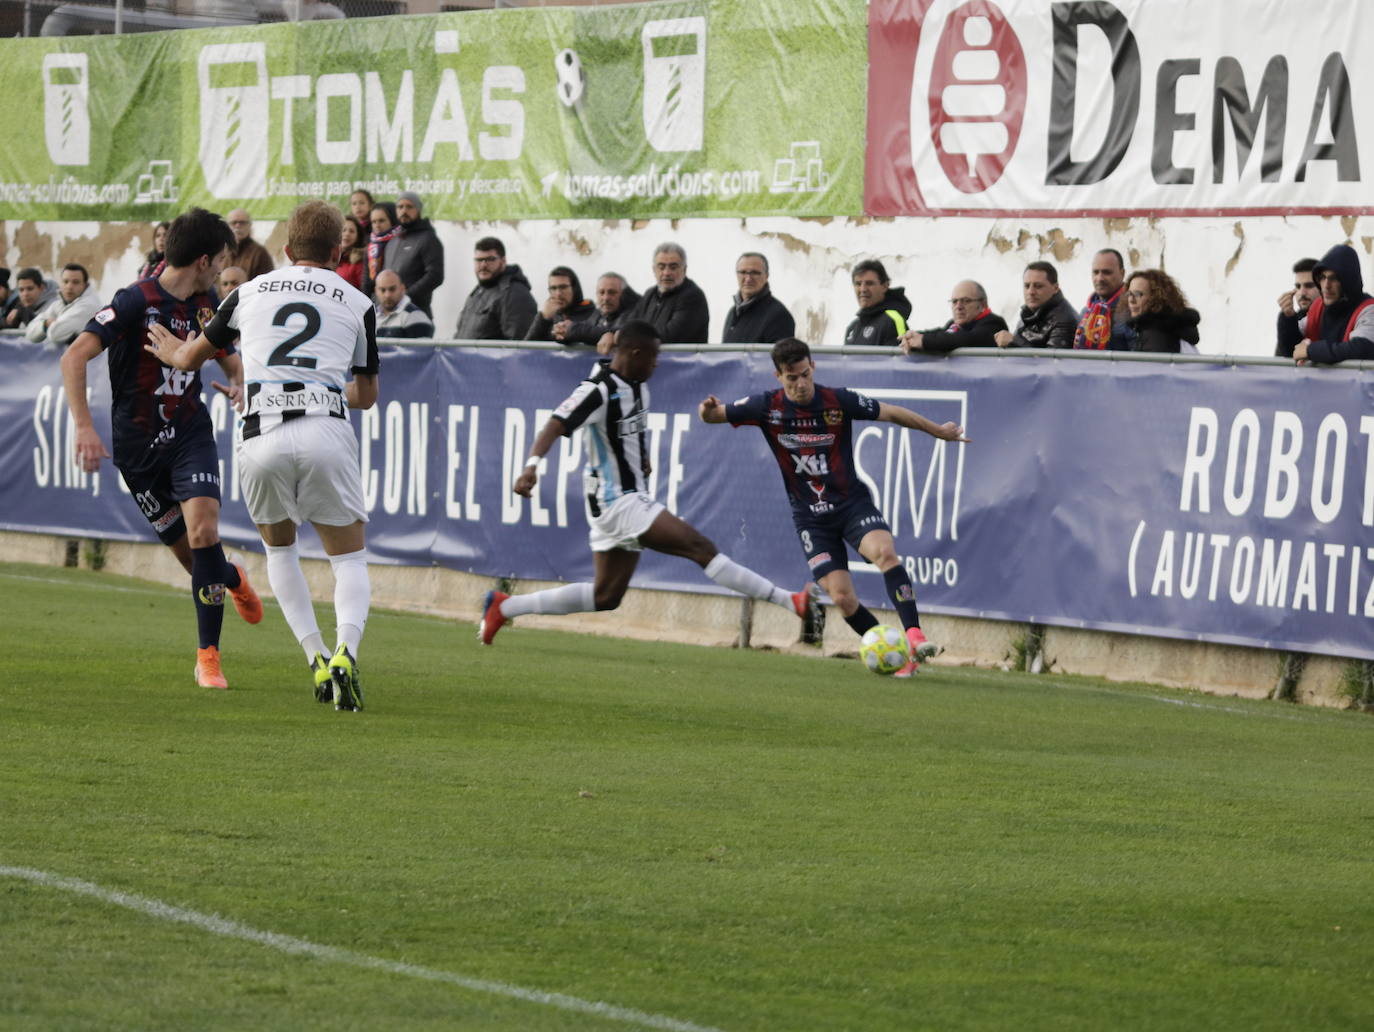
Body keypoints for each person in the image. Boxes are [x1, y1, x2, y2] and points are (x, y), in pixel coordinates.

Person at [144, 200, 379, 711]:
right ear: (338, 250)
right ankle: (347, 652)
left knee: (281, 552)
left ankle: (315, 656)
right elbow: (367, 394)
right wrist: (331, 387)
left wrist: (169, 350)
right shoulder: (358, 301)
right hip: (325, 427)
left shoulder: (247, 292)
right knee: (350, 559)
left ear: (288, 250)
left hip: (261, 431)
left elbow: (188, 357)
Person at [478, 320, 818, 646]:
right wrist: (531, 467)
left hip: (621, 499)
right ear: (636, 354)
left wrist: (641, 458)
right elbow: (555, 423)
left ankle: (503, 607)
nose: (657, 365)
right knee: (700, 548)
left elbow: (630, 431)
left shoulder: (638, 388)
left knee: (606, 595)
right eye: (654, 357)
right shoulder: (597, 391)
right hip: (618, 502)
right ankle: (791, 602)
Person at [61, 207, 263, 690]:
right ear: (201, 260)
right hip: (138, 453)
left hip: (190, 434)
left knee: (204, 530)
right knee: (200, 564)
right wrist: (84, 427)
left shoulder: (206, 302)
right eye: (218, 263)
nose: (219, 272)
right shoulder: (134, 301)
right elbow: (74, 356)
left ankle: (208, 659)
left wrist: (237, 384)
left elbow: (230, 360)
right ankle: (232, 578)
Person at [699, 337, 968, 677]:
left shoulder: (836, 401)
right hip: (811, 518)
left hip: (851, 504)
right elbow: (714, 415)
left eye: (805, 374)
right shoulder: (766, 406)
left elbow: (892, 412)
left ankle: (914, 636)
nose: (800, 384)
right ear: (778, 376)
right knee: (841, 598)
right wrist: (706, 410)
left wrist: (938, 431)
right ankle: (897, 657)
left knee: (884, 553)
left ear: (813, 367)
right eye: (791, 377)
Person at [1294, 244, 1374, 365]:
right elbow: (1292, 347)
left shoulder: (1368, 309)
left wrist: (1311, 350)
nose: (1326, 285)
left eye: (1334, 278)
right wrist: (1287, 318)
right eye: (1322, 278)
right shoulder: (1318, 307)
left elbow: (1362, 349)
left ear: (1348, 281)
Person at [618, 242, 709, 348]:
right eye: (661, 267)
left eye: (673, 267)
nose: (666, 273)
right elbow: (630, 323)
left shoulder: (692, 296)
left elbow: (669, 336)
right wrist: (611, 334)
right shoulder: (650, 294)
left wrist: (625, 336)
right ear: (654, 270)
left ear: (684, 270)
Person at [454, 236, 537, 340]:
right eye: (479, 260)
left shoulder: (514, 293)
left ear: (503, 261)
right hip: (462, 356)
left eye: (490, 259)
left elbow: (519, 347)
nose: (483, 265)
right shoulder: (478, 291)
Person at [900, 280, 1008, 354]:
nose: (958, 307)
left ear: (983, 304)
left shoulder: (993, 323)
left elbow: (963, 339)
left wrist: (923, 340)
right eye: (954, 302)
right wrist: (913, 337)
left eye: (966, 301)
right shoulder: (954, 324)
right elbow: (941, 334)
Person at [383, 191, 444, 316]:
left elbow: (435, 275)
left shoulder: (428, 238)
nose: (404, 211)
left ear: (419, 210)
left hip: (416, 313)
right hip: (390, 314)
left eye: (409, 206)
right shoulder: (392, 240)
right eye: (400, 207)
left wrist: (405, 297)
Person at [994, 261, 1078, 349]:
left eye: (1038, 286)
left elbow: (1052, 361)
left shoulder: (1064, 319)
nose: (1031, 292)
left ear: (1055, 288)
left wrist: (1014, 342)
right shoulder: (1028, 312)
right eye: (1027, 286)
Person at [722, 252, 795, 344]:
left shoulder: (779, 315)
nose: (748, 279)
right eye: (743, 272)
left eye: (755, 273)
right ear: (736, 274)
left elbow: (781, 357)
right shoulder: (733, 312)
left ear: (766, 276)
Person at [24, 263, 101, 349]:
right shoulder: (59, 303)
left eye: (75, 282)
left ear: (85, 285)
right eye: (65, 281)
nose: (69, 286)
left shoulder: (89, 305)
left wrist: (50, 325)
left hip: (90, 361)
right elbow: (30, 333)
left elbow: (55, 334)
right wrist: (45, 324)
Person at [1124, 269, 1201, 353]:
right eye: (1129, 294)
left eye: (1138, 294)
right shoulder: (1167, 327)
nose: (1131, 300)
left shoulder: (1156, 334)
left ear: (1156, 299)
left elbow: (1153, 365)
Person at [559, 272, 640, 347]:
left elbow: (620, 332)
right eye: (601, 292)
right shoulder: (598, 314)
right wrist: (562, 330)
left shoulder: (636, 314)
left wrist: (575, 330)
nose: (606, 298)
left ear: (623, 295)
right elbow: (585, 330)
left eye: (612, 292)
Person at [1073, 248, 1131, 350]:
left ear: (1122, 273)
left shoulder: (1132, 309)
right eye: (1095, 272)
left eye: (1107, 272)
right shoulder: (1086, 312)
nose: (1099, 278)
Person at [843, 259, 910, 346]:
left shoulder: (893, 321)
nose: (863, 289)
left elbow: (900, 358)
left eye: (869, 283)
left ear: (885, 286)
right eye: (858, 284)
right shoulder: (852, 327)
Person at [524, 266, 596, 342]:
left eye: (563, 287)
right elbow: (527, 350)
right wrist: (543, 319)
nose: (558, 293)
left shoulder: (592, 315)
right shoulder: (548, 318)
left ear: (574, 289)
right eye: (553, 288)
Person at [1275, 258, 1320, 359]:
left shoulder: (1334, 318)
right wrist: (1287, 318)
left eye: (1309, 286)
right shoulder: (1291, 320)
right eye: (1298, 286)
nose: (1302, 293)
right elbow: (1287, 356)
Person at [373, 269, 434, 339]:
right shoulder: (370, 318)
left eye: (392, 289)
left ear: (402, 288)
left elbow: (423, 349)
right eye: (382, 290)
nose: (387, 295)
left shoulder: (416, 317)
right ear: (376, 291)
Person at [362, 201, 399, 298]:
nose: (377, 225)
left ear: (392, 220)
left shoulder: (403, 241)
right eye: (374, 222)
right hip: (377, 302)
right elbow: (366, 282)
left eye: (381, 221)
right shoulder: (371, 246)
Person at [226, 209, 275, 280]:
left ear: (249, 226)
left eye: (242, 223)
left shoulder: (259, 253)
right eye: (234, 223)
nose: (237, 226)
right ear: (227, 226)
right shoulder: (220, 251)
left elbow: (266, 281)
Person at [336, 215, 367, 290]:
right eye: (343, 230)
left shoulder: (359, 261)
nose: (347, 234)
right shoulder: (328, 257)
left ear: (358, 237)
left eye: (352, 231)